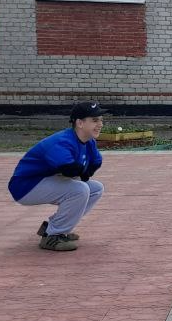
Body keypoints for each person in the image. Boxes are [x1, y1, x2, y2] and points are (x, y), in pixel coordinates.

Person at [8, 101, 107, 252]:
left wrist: (83, 173)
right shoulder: (62, 141)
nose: (100, 124)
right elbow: (69, 169)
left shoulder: (89, 142)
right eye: (94, 120)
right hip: (25, 187)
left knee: (96, 188)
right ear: (80, 123)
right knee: (80, 189)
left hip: (45, 180)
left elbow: (94, 164)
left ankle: (55, 227)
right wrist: (82, 173)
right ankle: (52, 236)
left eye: (101, 120)